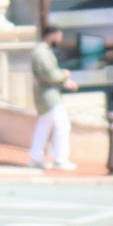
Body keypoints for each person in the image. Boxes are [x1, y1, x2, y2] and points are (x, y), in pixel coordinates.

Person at [27, 27, 79, 172]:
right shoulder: (41, 53)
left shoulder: (43, 52)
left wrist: (64, 81)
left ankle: (35, 158)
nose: (60, 40)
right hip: (48, 96)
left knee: (44, 125)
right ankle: (60, 160)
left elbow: (49, 75)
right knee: (63, 125)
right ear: (52, 36)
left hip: (47, 95)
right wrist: (64, 75)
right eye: (59, 36)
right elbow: (49, 75)